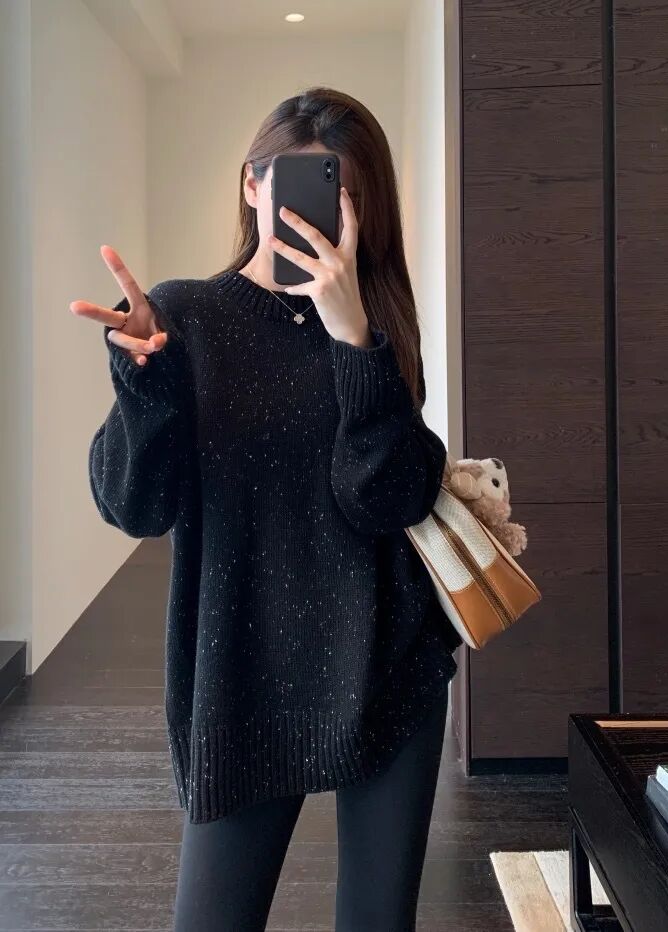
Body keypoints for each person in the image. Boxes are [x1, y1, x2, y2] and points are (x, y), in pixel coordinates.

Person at [74, 86, 463, 931]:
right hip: (243, 676)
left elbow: (388, 498)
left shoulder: (379, 320)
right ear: (253, 186)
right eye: (298, 187)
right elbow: (135, 506)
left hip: (388, 662)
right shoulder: (186, 316)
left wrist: (354, 339)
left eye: (344, 195)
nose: (322, 214)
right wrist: (145, 388)